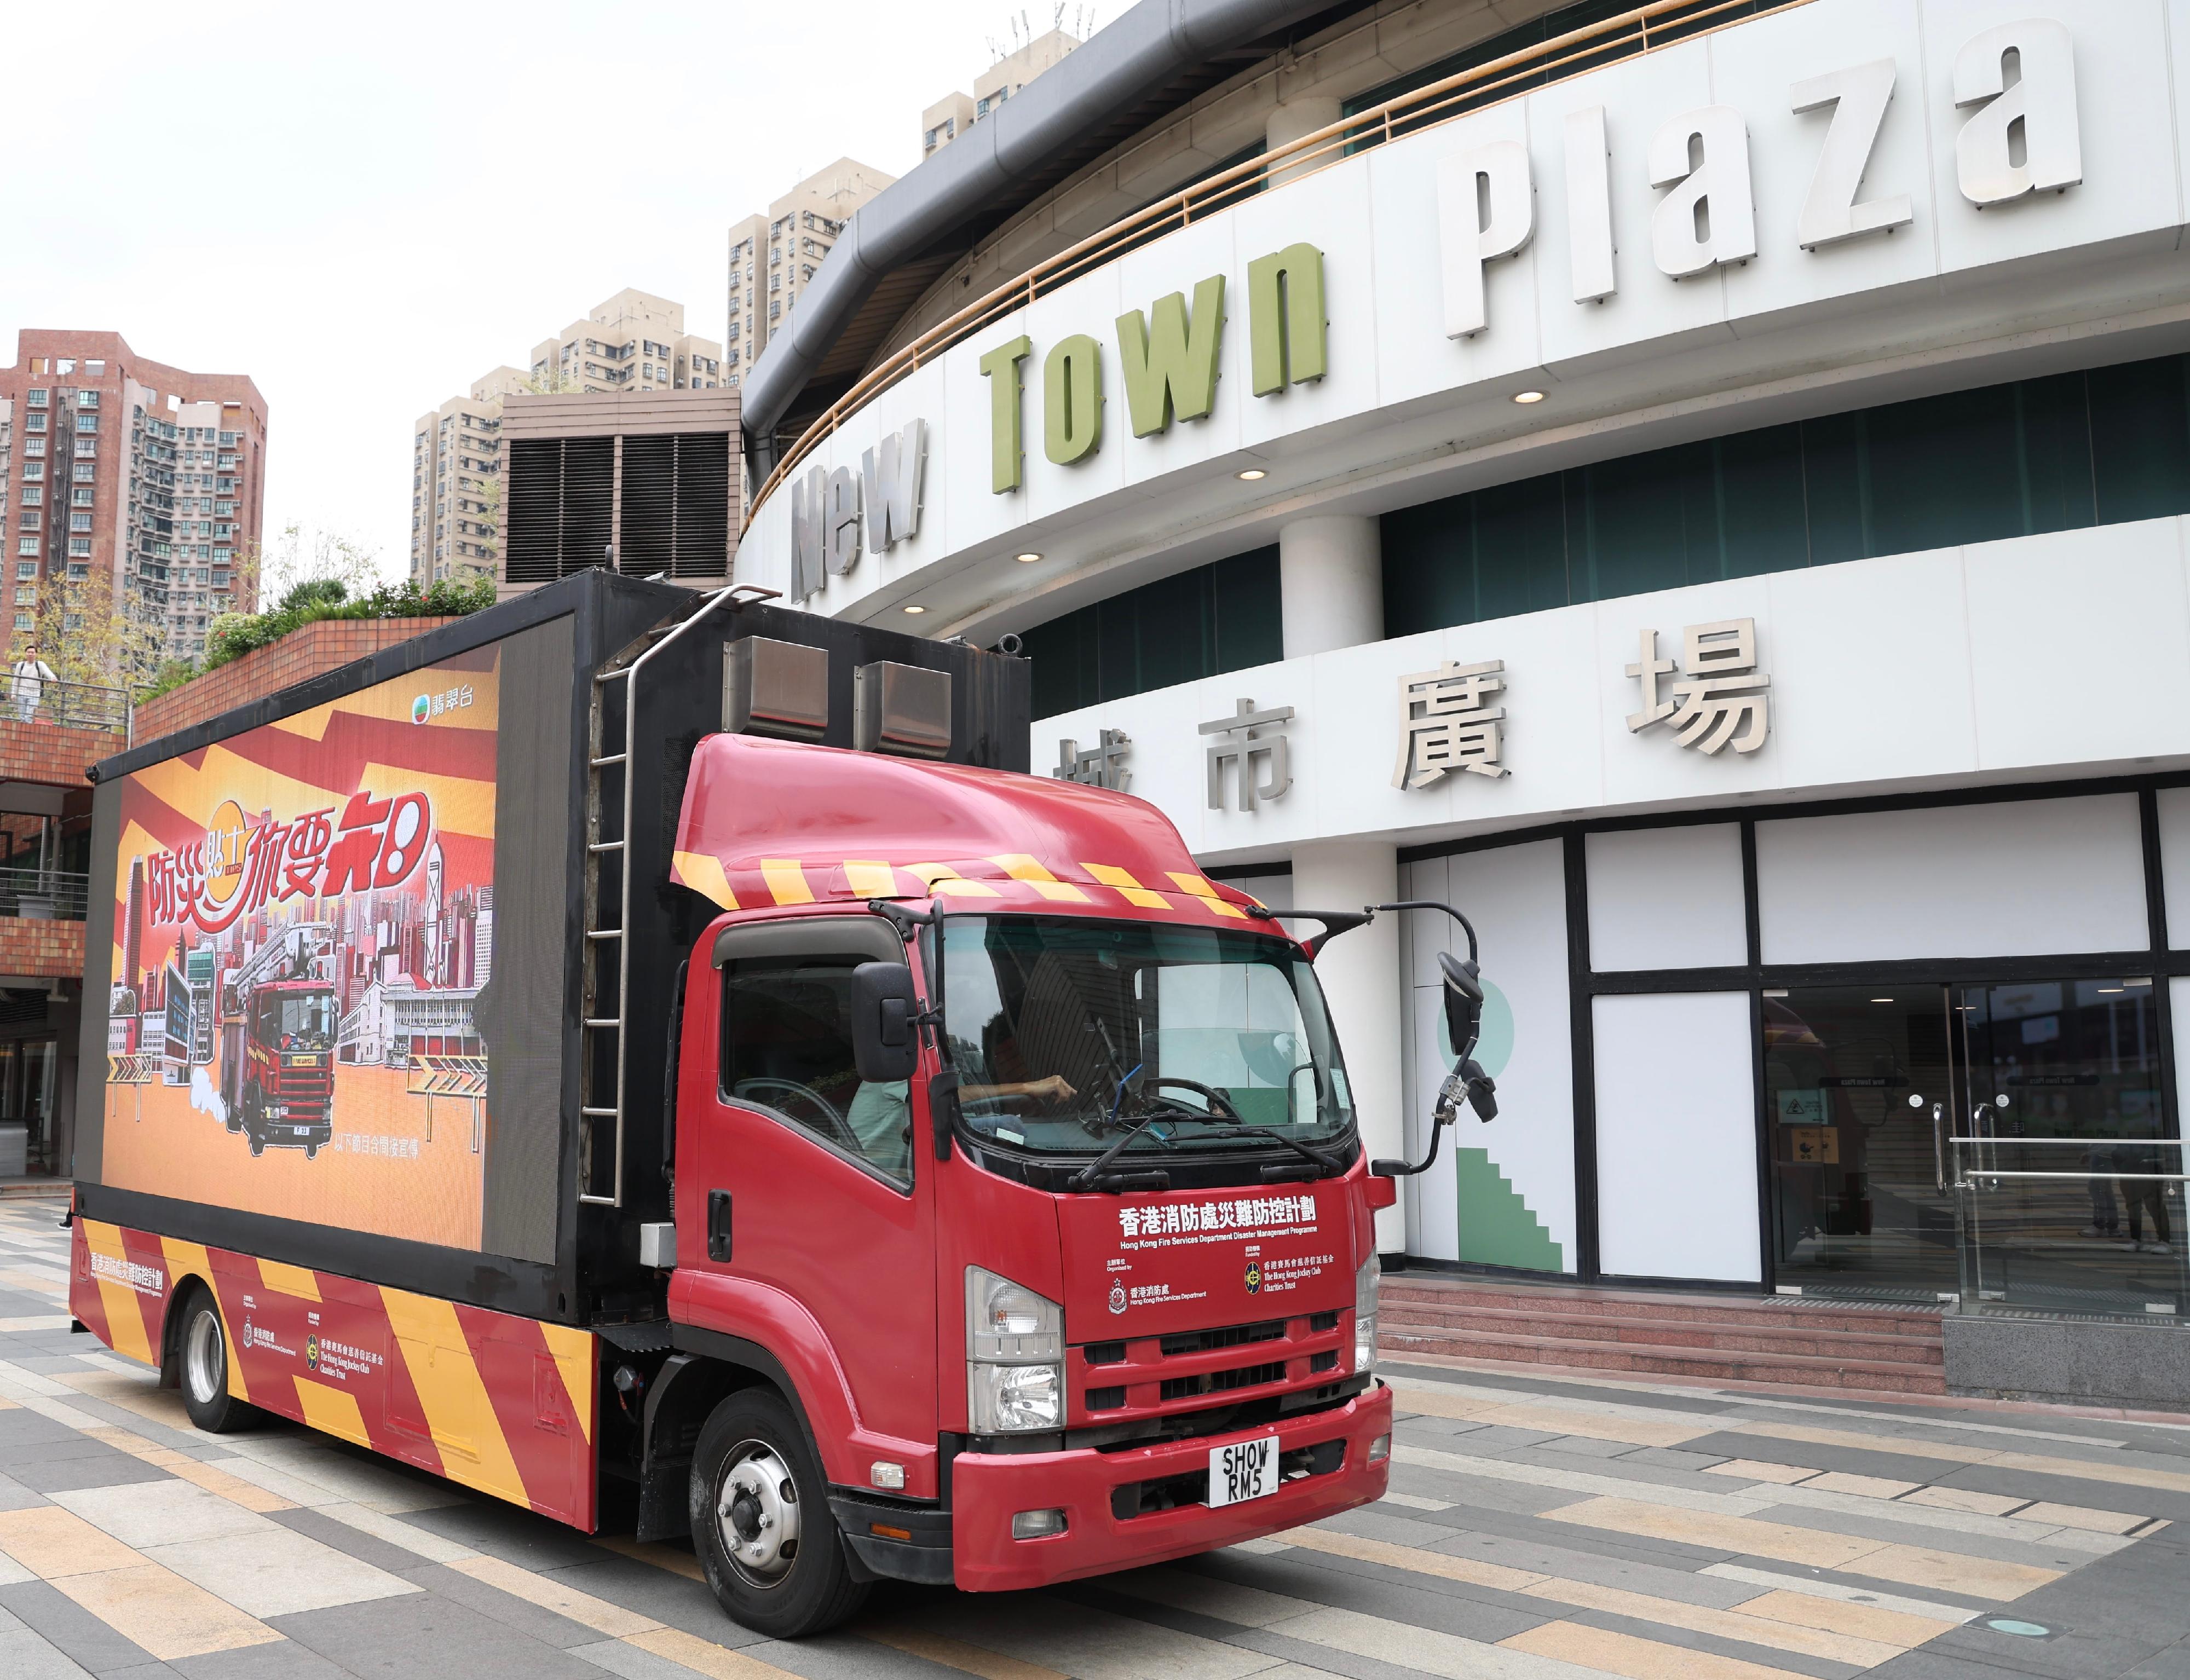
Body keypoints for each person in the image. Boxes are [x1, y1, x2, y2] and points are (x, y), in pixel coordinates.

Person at [10, 644, 55, 723]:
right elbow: (16, 680)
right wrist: (13, 693)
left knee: (29, 717)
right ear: (26, 654)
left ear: (36, 654)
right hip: (22, 693)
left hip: (34, 694)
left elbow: (47, 671)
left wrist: (52, 677)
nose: (30, 654)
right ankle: (24, 734)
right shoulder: (21, 665)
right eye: (28, 652)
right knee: (22, 717)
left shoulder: (40, 664)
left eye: (32, 652)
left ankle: (27, 734)